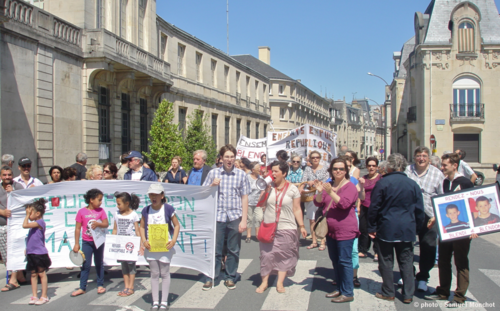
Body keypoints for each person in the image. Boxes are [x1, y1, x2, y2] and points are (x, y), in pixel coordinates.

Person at [368, 153, 425, 304]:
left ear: (389, 167)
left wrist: (371, 226)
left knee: (386, 261)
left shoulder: (383, 183)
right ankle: (408, 294)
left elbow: (374, 207)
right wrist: (417, 227)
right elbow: (420, 209)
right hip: (407, 228)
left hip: (386, 226)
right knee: (406, 261)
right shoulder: (413, 184)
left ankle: (388, 291)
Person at [425, 152, 477, 307]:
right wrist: (435, 217)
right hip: (447, 228)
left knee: (460, 262)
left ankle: (460, 295)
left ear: (454, 166)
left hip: (462, 229)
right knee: (443, 260)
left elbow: (472, 206)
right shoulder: (446, 182)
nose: (442, 168)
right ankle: (443, 291)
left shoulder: (465, 182)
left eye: (445, 165)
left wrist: (474, 228)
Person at [202, 144, 250, 291]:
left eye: (232, 157)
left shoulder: (241, 175)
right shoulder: (213, 173)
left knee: (233, 249)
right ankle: (212, 276)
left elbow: (244, 198)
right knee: (215, 249)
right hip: (218, 216)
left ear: (235, 158)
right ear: (221, 158)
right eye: (226, 157)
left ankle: (230, 277)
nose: (229, 159)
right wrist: (212, 185)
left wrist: (244, 220)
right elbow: (203, 193)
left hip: (235, 216)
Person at [256, 161, 307, 294]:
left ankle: (280, 282)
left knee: (284, 255)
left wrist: (301, 225)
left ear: (284, 173)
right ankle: (264, 282)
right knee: (266, 255)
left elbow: (297, 209)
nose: (273, 174)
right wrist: (265, 190)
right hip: (268, 225)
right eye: (271, 171)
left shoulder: (292, 189)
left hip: (287, 226)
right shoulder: (269, 186)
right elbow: (260, 203)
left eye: (276, 171)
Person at [314, 157, 359, 303]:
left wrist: (331, 192)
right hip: (331, 230)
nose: (338, 171)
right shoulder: (329, 184)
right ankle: (340, 287)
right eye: (335, 169)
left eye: (341, 169)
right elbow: (318, 202)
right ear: (331, 171)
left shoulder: (350, 186)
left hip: (345, 229)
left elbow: (344, 204)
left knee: (345, 261)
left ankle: (347, 292)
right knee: (335, 260)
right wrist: (320, 191)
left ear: (346, 171)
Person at [404, 146, 444, 292]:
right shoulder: (407, 171)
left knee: (428, 247)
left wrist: (436, 217)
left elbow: (441, 196)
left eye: (424, 156)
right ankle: (407, 273)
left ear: (428, 158)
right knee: (405, 245)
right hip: (409, 214)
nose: (421, 158)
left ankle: (423, 277)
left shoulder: (437, 174)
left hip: (429, 215)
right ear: (414, 158)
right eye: (419, 155)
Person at [140, 183, 180, 310]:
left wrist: (173, 240)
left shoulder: (168, 209)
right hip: (151, 247)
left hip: (165, 246)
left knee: (165, 272)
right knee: (154, 273)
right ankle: (155, 300)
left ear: (162, 195)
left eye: (157, 194)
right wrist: (144, 241)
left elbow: (177, 225)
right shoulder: (145, 210)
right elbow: (141, 227)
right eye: (152, 194)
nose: (154, 197)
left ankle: (164, 301)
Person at [71, 189, 108, 296]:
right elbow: (77, 228)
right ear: (91, 200)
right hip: (86, 242)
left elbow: (106, 224)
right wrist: (76, 243)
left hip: (98, 242)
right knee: (85, 264)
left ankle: (100, 284)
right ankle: (82, 287)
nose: (101, 202)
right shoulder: (81, 212)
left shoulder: (101, 211)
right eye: (99, 200)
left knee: (99, 263)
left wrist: (98, 224)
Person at [22, 198, 51, 305]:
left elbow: (24, 225)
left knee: (41, 273)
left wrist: (26, 215)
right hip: (31, 253)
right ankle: (34, 295)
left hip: (39, 254)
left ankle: (44, 296)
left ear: (38, 213)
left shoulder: (40, 222)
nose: (29, 214)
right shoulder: (34, 224)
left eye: (30, 212)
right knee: (33, 274)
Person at [0, 166, 25, 292]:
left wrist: (12, 193)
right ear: (1, 176)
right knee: (5, 254)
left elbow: (24, 203)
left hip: (16, 226)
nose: (7, 177)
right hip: (2, 226)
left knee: (14, 251)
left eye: (9, 175)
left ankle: (13, 279)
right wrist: (2, 212)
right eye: (4, 175)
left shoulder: (18, 186)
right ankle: (19, 274)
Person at [299, 150, 329, 251]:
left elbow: (327, 181)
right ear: (310, 159)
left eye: (317, 157)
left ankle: (323, 241)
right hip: (310, 196)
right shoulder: (308, 169)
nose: (315, 159)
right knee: (312, 219)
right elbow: (303, 180)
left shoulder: (325, 169)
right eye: (313, 158)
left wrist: (318, 183)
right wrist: (308, 182)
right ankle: (314, 241)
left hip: (321, 195)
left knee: (320, 219)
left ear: (320, 158)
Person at [112, 192, 140, 297]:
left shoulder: (133, 215)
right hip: (120, 243)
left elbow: (137, 231)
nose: (117, 206)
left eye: (119, 204)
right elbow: (115, 229)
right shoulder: (116, 214)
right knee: (123, 266)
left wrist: (139, 244)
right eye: (117, 204)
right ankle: (126, 286)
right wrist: (112, 241)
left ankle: (131, 287)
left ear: (127, 203)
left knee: (131, 266)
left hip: (130, 244)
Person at [358, 157, 382, 260]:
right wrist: (358, 206)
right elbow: (360, 193)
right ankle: (363, 249)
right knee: (363, 228)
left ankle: (377, 251)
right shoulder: (364, 177)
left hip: (377, 207)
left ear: (377, 167)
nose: (371, 167)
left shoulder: (380, 178)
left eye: (373, 165)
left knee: (376, 229)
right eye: (369, 165)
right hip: (365, 205)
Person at [246, 162, 263, 243]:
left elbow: (263, 188)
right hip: (249, 201)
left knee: (259, 218)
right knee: (249, 218)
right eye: (258, 168)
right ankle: (248, 235)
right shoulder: (247, 178)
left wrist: (262, 198)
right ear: (253, 170)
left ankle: (257, 235)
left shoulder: (261, 178)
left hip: (258, 202)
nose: (260, 169)